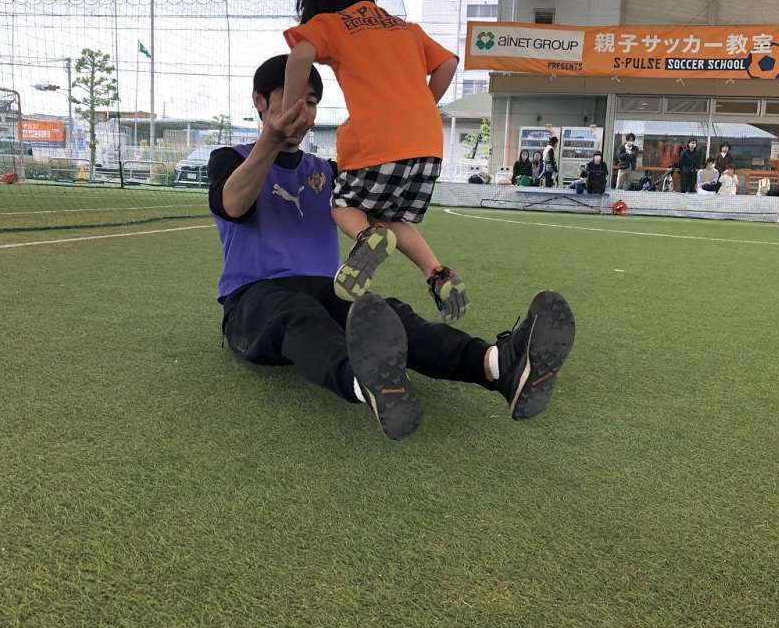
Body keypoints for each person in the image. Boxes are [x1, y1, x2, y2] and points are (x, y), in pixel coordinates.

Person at [208, 54, 577, 440]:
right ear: (259, 100)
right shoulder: (230, 159)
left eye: (311, 102)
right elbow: (233, 205)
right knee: (298, 314)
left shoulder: (328, 171)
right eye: (289, 99)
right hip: (253, 299)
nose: (300, 111)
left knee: (389, 317)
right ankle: (364, 383)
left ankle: (498, 365)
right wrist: (270, 139)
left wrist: (434, 270)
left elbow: (388, 221)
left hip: (326, 288)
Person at [281, 0, 467, 322]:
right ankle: (436, 273)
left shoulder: (334, 22)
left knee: (342, 205)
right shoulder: (406, 28)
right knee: (390, 216)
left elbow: (300, 54)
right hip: (428, 144)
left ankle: (366, 237)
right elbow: (448, 63)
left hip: (377, 141)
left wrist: (288, 113)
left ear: (321, 11)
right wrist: (421, 108)